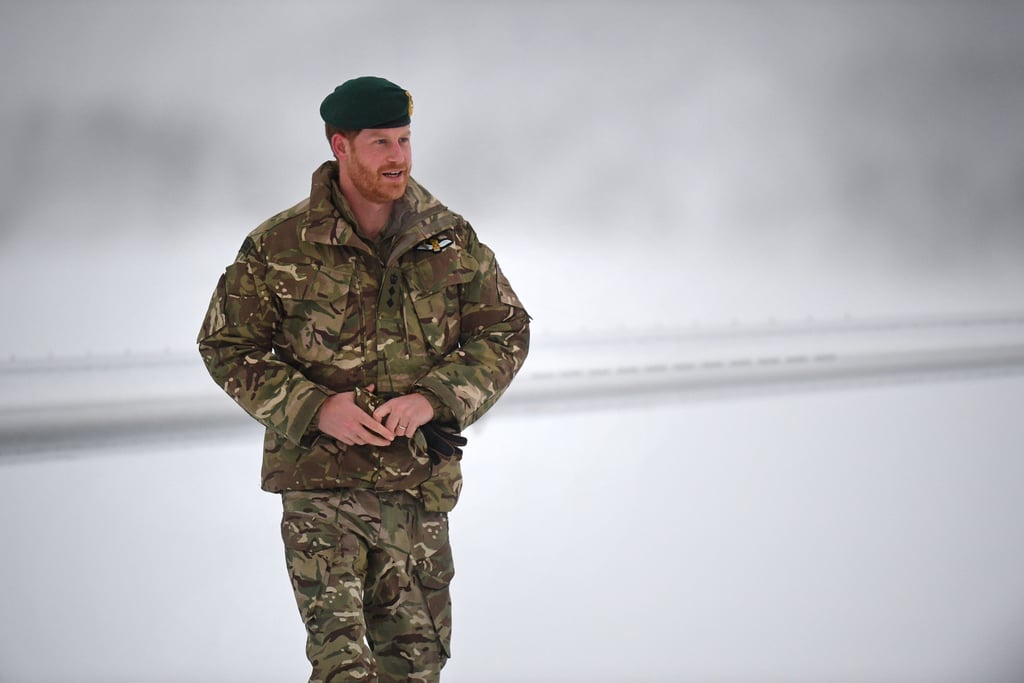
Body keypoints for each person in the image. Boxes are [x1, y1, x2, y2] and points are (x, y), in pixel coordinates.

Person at [197, 76, 530, 682]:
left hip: (418, 495)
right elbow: (226, 343)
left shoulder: (448, 240)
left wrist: (435, 399)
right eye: (381, 142)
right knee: (344, 668)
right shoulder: (278, 246)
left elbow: (505, 331)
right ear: (340, 146)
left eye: (404, 139)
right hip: (321, 494)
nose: (398, 156)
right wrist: (315, 407)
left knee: (415, 668)